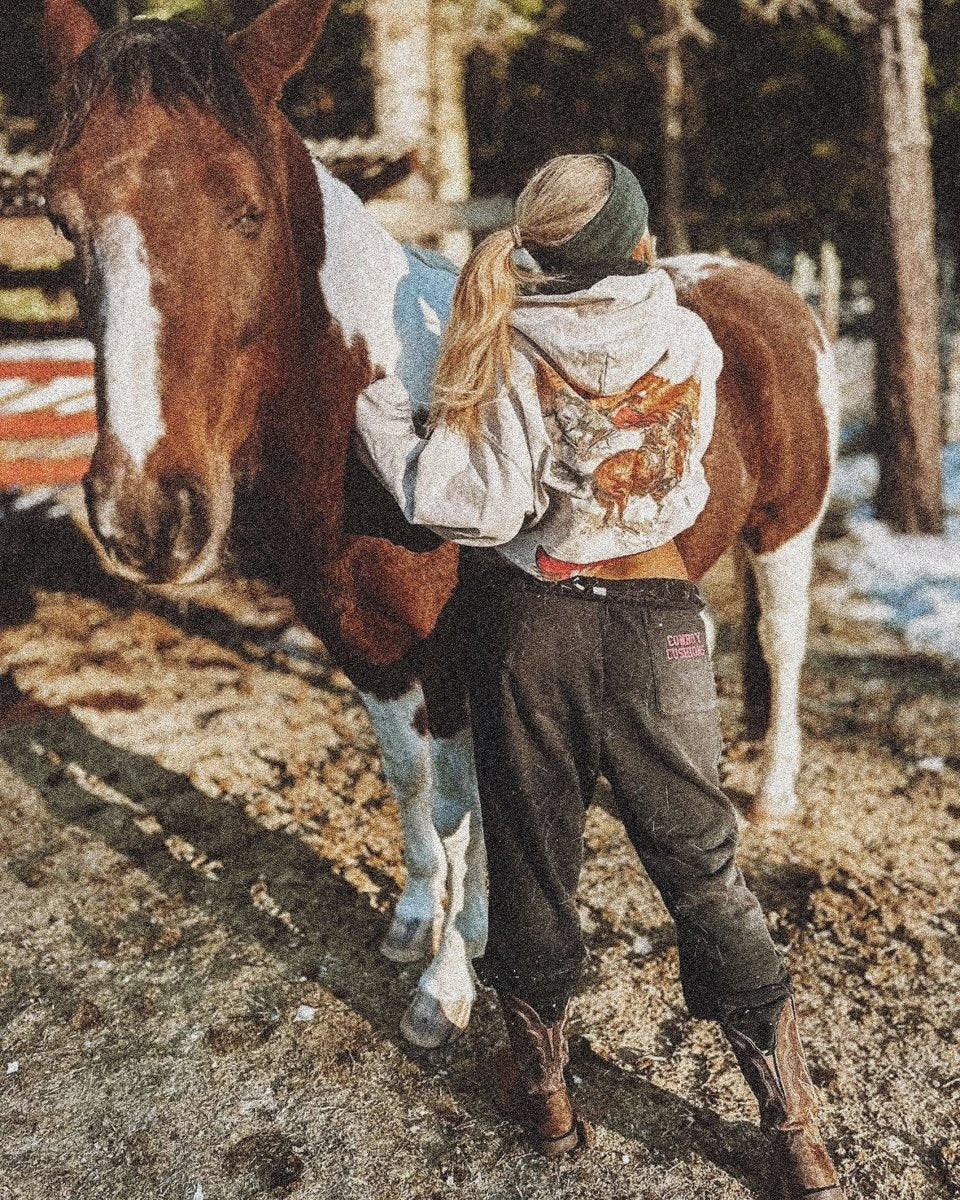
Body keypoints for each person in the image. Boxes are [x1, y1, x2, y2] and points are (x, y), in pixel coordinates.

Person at [354, 154, 844, 1199]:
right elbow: (688, 462)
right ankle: (793, 1127)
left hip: (536, 627)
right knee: (705, 867)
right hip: (662, 626)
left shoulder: (507, 347)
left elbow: (474, 513)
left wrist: (383, 422)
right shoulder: (691, 334)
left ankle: (545, 1094)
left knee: (533, 858)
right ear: (636, 242)